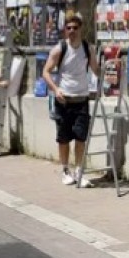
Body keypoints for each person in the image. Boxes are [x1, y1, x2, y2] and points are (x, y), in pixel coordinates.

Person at [42, 15, 100, 187]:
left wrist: (110, 78)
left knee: (81, 138)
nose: (72, 31)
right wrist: (55, 89)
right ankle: (66, 170)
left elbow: (95, 68)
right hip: (64, 101)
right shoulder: (59, 49)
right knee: (64, 139)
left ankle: (79, 171)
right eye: (69, 28)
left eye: (75, 28)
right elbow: (46, 71)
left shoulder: (87, 48)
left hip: (82, 99)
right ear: (65, 30)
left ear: (81, 29)